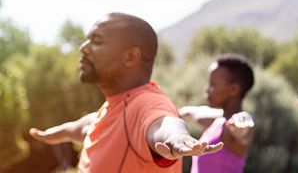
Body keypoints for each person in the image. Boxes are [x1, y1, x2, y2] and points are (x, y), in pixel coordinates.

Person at [28, 13, 222, 172]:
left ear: (131, 57)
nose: (83, 48)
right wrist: (53, 134)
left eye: (96, 41)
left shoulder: (146, 103)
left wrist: (176, 138)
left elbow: (163, 123)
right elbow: (86, 126)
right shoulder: (116, 107)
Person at [179, 54, 256, 173]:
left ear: (233, 90)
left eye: (212, 84)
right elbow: (199, 113)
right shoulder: (220, 120)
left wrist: (244, 126)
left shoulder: (233, 127)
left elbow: (244, 133)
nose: (206, 89)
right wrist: (185, 111)